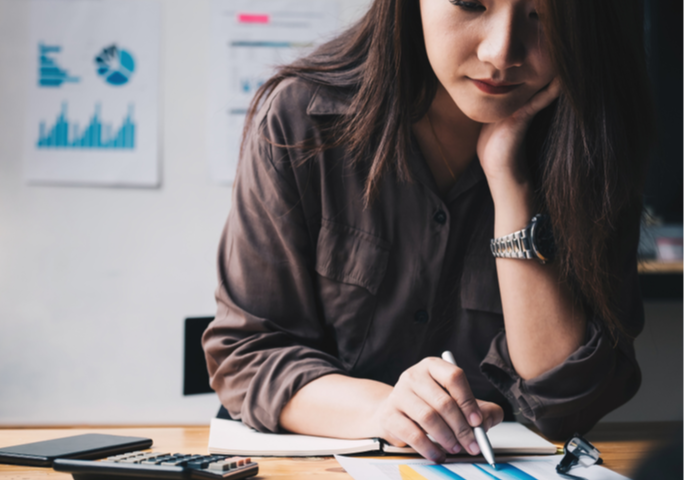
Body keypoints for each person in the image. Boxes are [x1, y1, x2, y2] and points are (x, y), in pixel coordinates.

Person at [202, 0, 654, 464]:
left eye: (546, 16)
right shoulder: (302, 118)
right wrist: (386, 410)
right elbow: (248, 353)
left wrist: (509, 183)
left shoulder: (596, 140)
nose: (501, 53)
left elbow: (566, 403)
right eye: (471, 3)